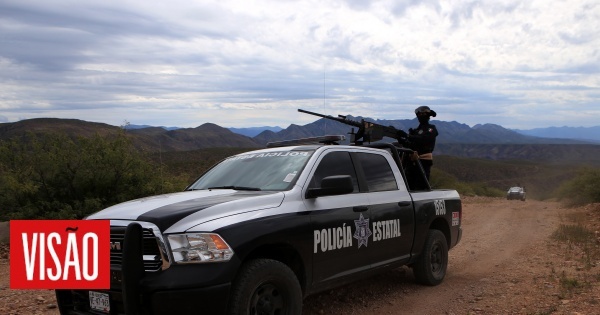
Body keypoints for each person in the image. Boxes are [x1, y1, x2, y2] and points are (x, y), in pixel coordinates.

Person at [406, 106, 438, 180]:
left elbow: (424, 139)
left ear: (427, 115)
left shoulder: (431, 128)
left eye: (422, 114)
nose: (419, 117)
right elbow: (411, 144)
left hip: (423, 162)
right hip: (412, 163)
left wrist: (408, 136)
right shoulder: (417, 130)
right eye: (418, 115)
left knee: (421, 186)